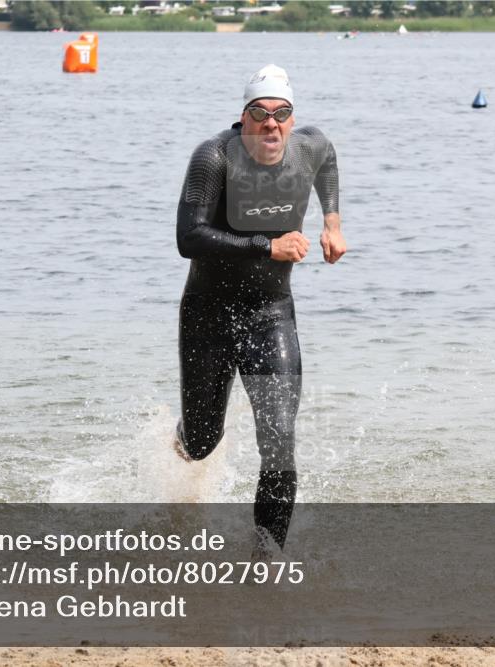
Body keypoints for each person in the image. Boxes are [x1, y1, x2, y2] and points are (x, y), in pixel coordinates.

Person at [174, 65, 346, 554]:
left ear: (293, 119)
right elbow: (188, 238)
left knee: (278, 441)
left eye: (281, 114)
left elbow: (328, 159)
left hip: (271, 313)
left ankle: (265, 560)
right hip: (208, 313)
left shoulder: (308, 146)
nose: (271, 125)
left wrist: (332, 223)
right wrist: (264, 247)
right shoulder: (213, 158)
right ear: (243, 116)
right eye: (260, 113)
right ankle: (183, 437)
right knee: (204, 440)